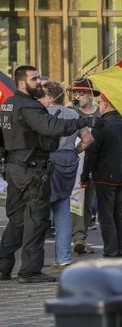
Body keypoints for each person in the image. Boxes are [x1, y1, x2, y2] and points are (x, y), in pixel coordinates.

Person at [0, 65, 97, 283]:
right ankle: (30, 270)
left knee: (17, 220)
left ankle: (3, 266)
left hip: (15, 168)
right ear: (22, 83)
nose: (40, 84)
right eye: (35, 80)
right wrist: (84, 121)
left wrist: (4, 164)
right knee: (36, 220)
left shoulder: (8, 104)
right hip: (31, 169)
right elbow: (52, 126)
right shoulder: (29, 107)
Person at [44, 81, 94, 267]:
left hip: (49, 160)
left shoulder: (44, 114)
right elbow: (88, 139)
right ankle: (64, 256)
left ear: (49, 96)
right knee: (64, 206)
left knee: (41, 208)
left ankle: (35, 258)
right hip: (68, 161)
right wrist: (74, 152)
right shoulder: (73, 114)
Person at [80, 93, 122, 258]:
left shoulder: (102, 124)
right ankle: (118, 248)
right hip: (121, 174)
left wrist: (84, 175)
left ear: (106, 104)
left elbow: (91, 154)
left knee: (106, 215)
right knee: (117, 214)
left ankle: (111, 249)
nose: (99, 105)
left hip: (104, 175)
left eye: (100, 102)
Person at [67, 79, 101, 255]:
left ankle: (82, 236)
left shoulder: (101, 113)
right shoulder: (72, 113)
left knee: (89, 202)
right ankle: (77, 237)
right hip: (77, 164)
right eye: (75, 93)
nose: (78, 96)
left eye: (81, 93)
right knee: (76, 200)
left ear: (90, 94)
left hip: (96, 163)